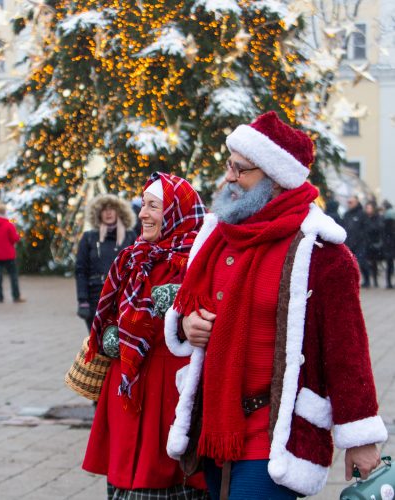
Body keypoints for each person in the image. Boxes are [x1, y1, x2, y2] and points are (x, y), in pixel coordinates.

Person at [164, 112, 387, 499]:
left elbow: (347, 354)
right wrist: (185, 325)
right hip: (214, 425)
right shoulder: (218, 235)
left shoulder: (321, 252)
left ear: (275, 178)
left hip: (276, 432)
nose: (229, 176)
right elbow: (190, 305)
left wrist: (360, 438)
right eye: (229, 164)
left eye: (242, 169)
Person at [82, 172, 208, 499]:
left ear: (176, 212)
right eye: (144, 204)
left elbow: (211, 314)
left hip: (166, 391)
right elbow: (110, 311)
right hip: (126, 387)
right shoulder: (135, 255)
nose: (142, 213)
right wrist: (110, 333)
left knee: (162, 477)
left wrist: (179, 309)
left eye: (153, 206)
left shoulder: (199, 259)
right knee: (123, 474)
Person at [75, 194, 136, 331]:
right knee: (97, 345)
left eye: (112, 208)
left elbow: (138, 267)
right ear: (98, 213)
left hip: (123, 297)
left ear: (119, 211)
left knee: (119, 344)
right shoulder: (89, 237)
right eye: (104, 209)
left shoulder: (130, 236)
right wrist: (82, 301)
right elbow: (81, 270)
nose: (108, 212)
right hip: (96, 295)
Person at [0, 204, 24, 303]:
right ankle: (16, 296)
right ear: (4, 212)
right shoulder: (8, 224)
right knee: (13, 276)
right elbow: (14, 238)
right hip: (8, 254)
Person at [343, 195, 371, 287]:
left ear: (356, 202)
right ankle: (351, 281)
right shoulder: (347, 214)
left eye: (351, 202)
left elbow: (366, 228)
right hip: (349, 243)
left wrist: (362, 238)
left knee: (362, 261)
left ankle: (367, 279)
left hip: (360, 243)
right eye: (348, 202)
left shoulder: (362, 214)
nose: (349, 204)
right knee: (349, 264)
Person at [364, 201, 384, 288]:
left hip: (374, 243)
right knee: (367, 262)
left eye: (369, 208)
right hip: (366, 242)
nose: (368, 210)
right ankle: (368, 279)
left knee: (374, 262)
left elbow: (378, 228)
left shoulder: (377, 218)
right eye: (367, 208)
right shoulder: (364, 217)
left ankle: (375, 280)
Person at [382, 200, 395, 289]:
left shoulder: (385, 220)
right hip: (390, 244)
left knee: (389, 264)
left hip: (389, 244)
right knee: (390, 264)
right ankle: (389, 283)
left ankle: (389, 283)